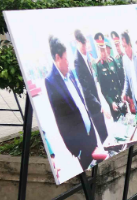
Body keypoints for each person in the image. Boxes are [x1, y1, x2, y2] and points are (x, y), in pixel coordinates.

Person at [44, 36, 102, 170]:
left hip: (91, 136)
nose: (68, 62)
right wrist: (76, 150)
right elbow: (61, 120)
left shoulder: (69, 74)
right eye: (65, 58)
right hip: (81, 145)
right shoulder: (51, 82)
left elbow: (80, 103)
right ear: (58, 58)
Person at [73, 30, 108, 143]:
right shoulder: (77, 61)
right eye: (82, 44)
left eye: (85, 44)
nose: (84, 47)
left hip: (96, 100)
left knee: (105, 131)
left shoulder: (85, 57)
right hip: (92, 104)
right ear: (77, 43)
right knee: (102, 133)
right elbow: (85, 89)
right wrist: (99, 105)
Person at [94, 33, 126, 121]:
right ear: (98, 51)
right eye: (101, 51)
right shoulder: (99, 66)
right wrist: (111, 103)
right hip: (113, 104)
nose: (103, 53)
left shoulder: (112, 61)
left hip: (121, 98)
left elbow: (120, 79)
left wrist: (123, 94)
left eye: (104, 50)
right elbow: (103, 90)